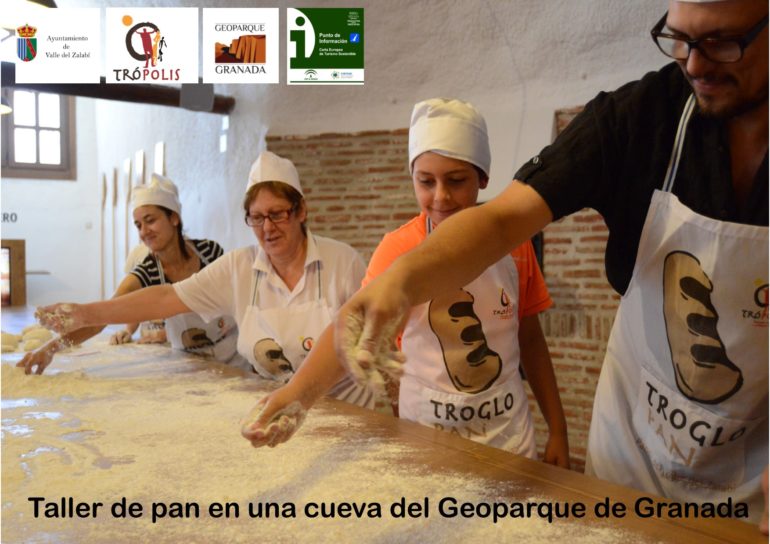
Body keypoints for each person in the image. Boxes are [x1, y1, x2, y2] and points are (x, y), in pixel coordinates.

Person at [325, 0, 768, 528]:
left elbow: (529, 337)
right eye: (677, 38)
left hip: (751, 460)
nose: (693, 64)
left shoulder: (518, 260)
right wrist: (397, 281)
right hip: (634, 448)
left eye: (721, 41)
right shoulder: (636, 119)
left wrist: (554, 428)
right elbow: (501, 220)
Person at [244, 99, 570, 468]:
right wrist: (296, 394)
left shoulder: (515, 242)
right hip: (426, 438)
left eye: (457, 180)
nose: (441, 197)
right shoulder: (398, 249)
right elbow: (350, 329)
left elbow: (528, 336)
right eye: (426, 182)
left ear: (483, 178)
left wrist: (557, 429)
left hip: (507, 439)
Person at [34, 151, 376, 408]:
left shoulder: (342, 262)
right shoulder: (238, 267)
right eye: (256, 218)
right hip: (278, 407)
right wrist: (85, 313)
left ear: (301, 211)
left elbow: (369, 341)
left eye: (277, 215)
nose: (267, 229)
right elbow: (166, 297)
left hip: (349, 411)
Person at [18, 174, 240, 374]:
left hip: (236, 360)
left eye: (150, 220)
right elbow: (100, 319)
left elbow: (239, 298)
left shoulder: (210, 253)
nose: (144, 232)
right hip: (194, 367)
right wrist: (50, 349)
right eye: (138, 225)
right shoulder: (147, 273)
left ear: (174, 218)